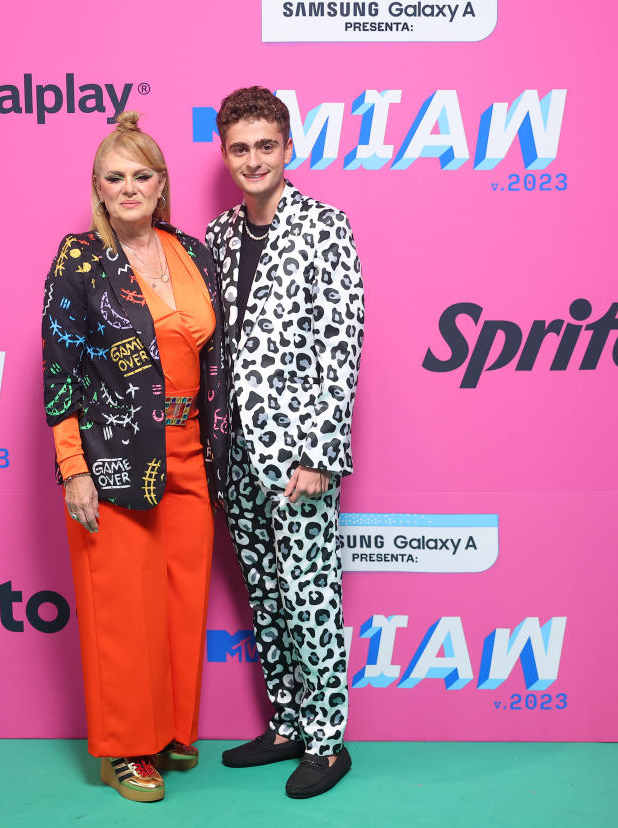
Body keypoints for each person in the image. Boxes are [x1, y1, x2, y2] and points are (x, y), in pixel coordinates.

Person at [41, 111, 228, 803]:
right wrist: (72, 468)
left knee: (179, 601)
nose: (128, 188)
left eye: (140, 175)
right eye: (114, 178)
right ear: (97, 186)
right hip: (115, 454)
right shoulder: (79, 260)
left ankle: (171, 731)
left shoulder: (192, 252)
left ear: (161, 183)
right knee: (120, 606)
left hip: (189, 455)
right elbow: (59, 370)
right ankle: (123, 751)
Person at [204, 86, 365, 799]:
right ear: (225, 152)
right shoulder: (216, 237)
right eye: (240, 147)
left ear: (288, 148)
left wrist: (321, 454)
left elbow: (342, 346)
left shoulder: (327, 227)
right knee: (265, 595)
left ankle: (328, 744)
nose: (253, 159)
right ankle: (289, 724)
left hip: (298, 455)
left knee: (310, 593)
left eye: (265, 145)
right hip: (233, 452)